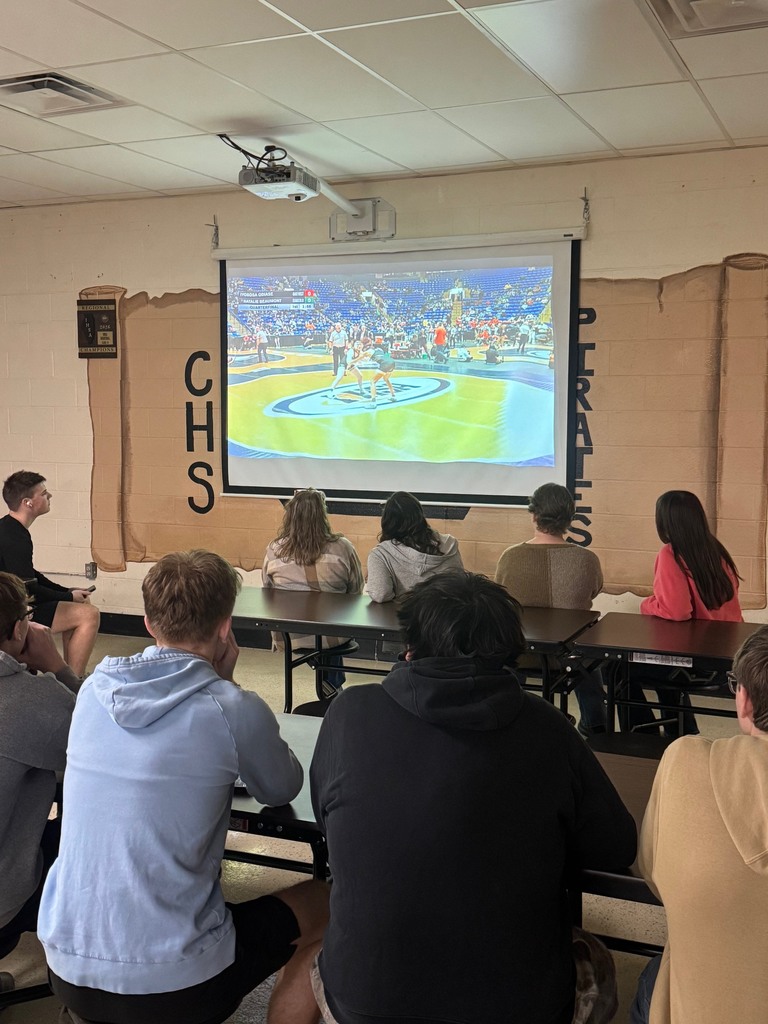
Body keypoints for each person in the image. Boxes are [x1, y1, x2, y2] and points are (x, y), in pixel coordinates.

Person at [309, 572, 637, 1024]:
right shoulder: (548, 728)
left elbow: (325, 820)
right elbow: (615, 847)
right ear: (509, 650)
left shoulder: (348, 712)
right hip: (519, 1009)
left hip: (366, 1004)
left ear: (410, 645)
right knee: (597, 959)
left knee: (314, 953)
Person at [38, 550, 328, 1024]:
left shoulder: (93, 690)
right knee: (325, 902)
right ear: (225, 627)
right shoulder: (232, 707)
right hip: (174, 987)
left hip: (64, 965)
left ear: (148, 623)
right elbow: (281, 787)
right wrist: (227, 684)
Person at [630, 624, 768, 1024]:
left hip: (692, 1008)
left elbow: (651, 871)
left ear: (744, 699)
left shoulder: (684, 761)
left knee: (652, 977)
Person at [0, 573, 80, 982]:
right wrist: (58, 668)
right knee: (86, 831)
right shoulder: (35, 700)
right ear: (19, 629)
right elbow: (106, 739)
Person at [495, 482, 607, 733]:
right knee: (589, 651)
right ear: (570, 518)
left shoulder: (509, 557)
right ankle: (596, 724)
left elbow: (502, 597)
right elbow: (595, 590)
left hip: (522, 652)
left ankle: (510, 718)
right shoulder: (587, 559)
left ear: (534, 515)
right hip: (573, 656)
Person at [632, 490, 742, 735]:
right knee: (663, 660)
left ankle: (641, 735)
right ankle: (681, 732)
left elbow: (677, 611)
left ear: (664, 522)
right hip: (727, 658)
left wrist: (646, 604)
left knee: (618, 668)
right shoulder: (716, 550)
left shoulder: (670, 554)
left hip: (695, 663)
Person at [0, 471, 100, 678]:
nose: (49, 496)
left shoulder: (10, 528)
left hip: (12, 603)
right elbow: (28, 588)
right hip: (10, 614)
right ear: (27, 502)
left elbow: (30, 575)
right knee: (89, 614)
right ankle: (73, 683)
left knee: (81, 604)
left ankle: (72, 674)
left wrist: (67, 592)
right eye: (44, 493)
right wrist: (67, 596)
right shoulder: (15, 537)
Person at [263, 489, 363, 690]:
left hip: (290, 635)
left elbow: (268, 591)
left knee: (322, 629)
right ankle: (331, 689)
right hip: (334, 635)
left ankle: (329, 688)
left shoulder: (274, 550)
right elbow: (356, 591)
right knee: (329, 626)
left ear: (290, 515)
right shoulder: (342, 548)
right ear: (322, 514)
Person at [366, 491, 463, 603]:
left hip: (406, 612)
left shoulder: (381, 554)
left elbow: (380, 594)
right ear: (420, 515)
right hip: (448, 612)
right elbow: (460, 584)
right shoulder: (450, 544)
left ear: (387, 521)